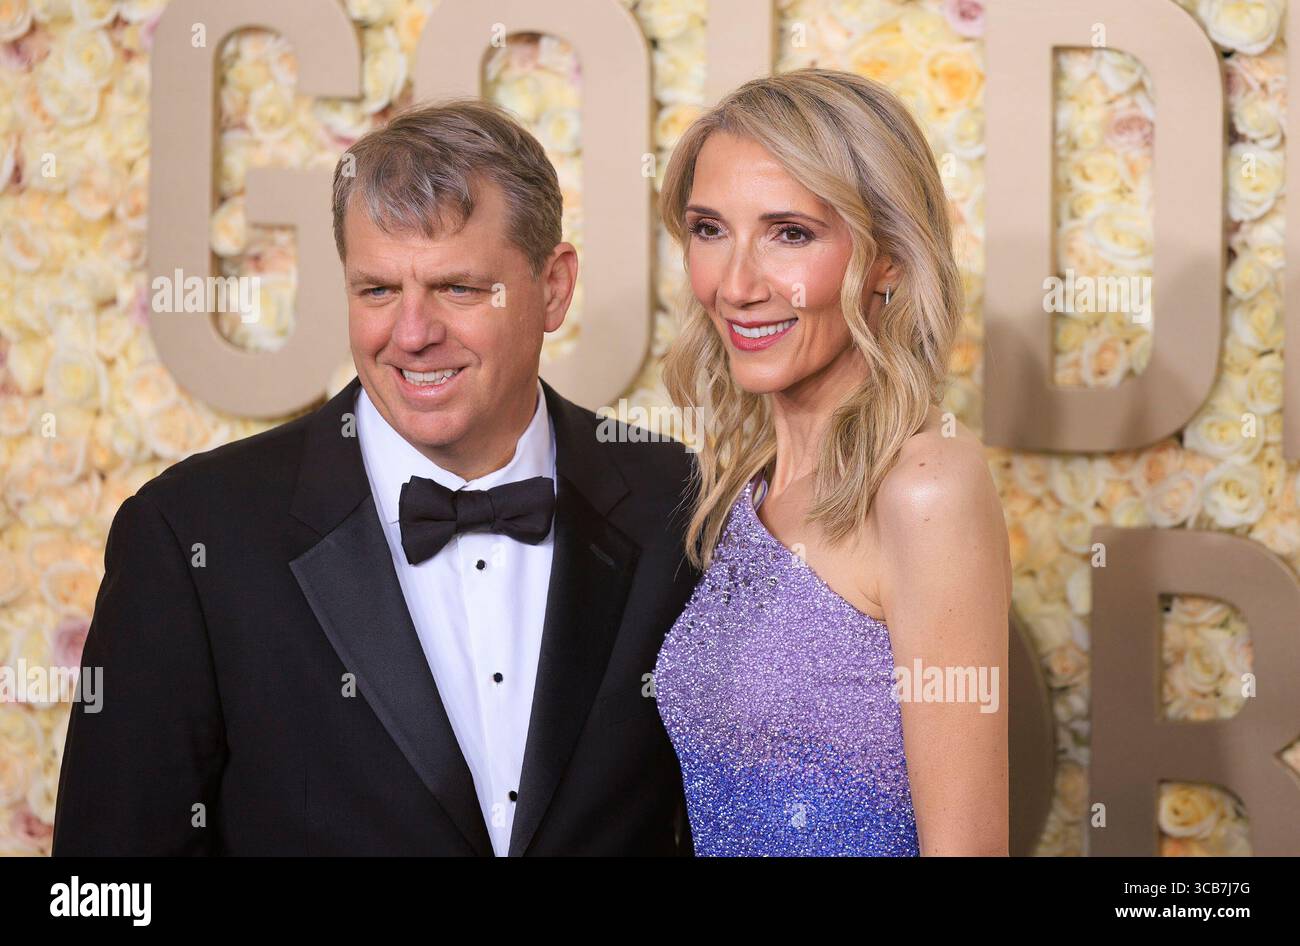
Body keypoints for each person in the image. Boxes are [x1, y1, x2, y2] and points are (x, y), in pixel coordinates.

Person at [53, 100, 697, 856]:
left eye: (458, 288)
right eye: (378, 291)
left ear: (553, 287)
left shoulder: (681, 502)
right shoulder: (193, 535)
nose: (413, 335)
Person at [652, 69, 1010, 856]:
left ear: (887, 259)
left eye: (791, 233)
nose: (737, 285)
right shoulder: (740, 492)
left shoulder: (924, 489)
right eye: (710, 230)